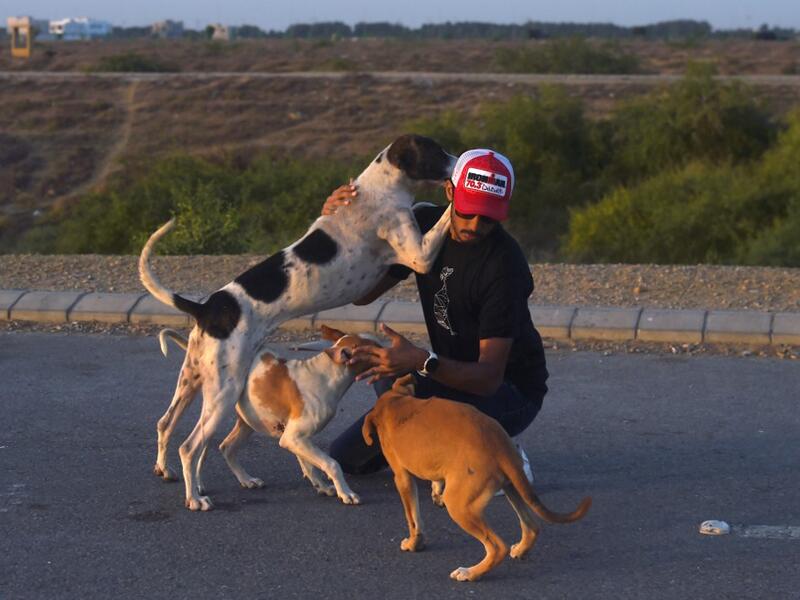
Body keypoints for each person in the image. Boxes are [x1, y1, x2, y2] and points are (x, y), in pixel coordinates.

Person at [322, 149, 548, 479]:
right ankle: (442, 444)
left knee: (414, 379)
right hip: (447, 376)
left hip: (509, 393)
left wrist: (420, 361)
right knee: (345, 458)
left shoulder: (505, 267)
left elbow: (488, 378)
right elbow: (361, 293)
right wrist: (339, 220)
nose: (475, 225)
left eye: (488, 217)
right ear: (450, 191)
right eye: (468, 211)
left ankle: (503, 453)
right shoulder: (426, 225)